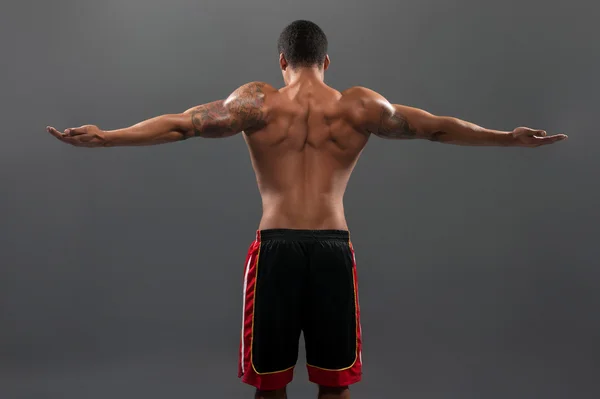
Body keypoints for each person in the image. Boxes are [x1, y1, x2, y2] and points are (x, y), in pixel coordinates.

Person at [46, 19, 567, 399]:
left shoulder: (257, 103)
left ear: (281, 61)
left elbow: (183, 123)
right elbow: (435, 125)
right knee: (334, 384)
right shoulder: (359, 105)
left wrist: (108, 137)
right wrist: (507, 138)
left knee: (271, 386)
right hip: (332, 249)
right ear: (326, 61)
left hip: (275, 250)